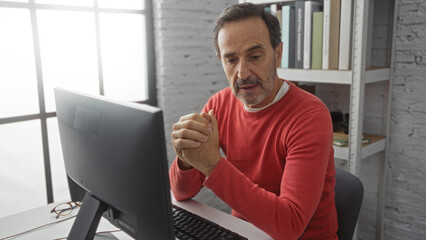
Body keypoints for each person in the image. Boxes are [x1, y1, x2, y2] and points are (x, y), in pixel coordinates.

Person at [170, 3, 338, 240]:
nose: (242, 73)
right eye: (231, 60)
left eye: (255, 56)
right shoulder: (218, 105)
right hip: (242, 234)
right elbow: (180, 192)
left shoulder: (310, 116)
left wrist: (211, 164)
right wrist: (186, 159)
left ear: (277, 54)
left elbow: (290, 226)